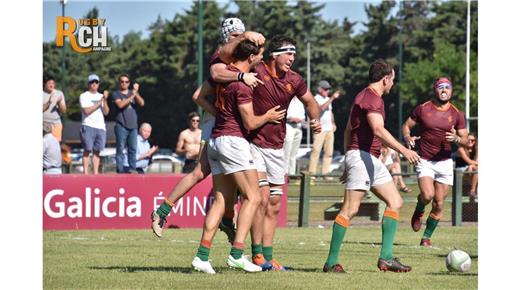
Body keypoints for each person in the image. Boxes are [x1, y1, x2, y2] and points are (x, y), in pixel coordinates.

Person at [151, 18, 264, 240]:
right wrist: (221, 113)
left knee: (227, 183)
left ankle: (226, 221)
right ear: (227, 37)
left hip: (226, 126)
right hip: (218, 126)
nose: (241, 40)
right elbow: (201, 92)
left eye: (242, 36)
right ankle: (163, 210)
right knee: (199, 173)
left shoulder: (236, 63)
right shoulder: (221, 57)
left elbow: (198, 95)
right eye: (236, 36)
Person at [220, 35, 322, 271]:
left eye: (294, 54)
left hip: (277, 147)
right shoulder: (256, 70)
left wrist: (315, 119)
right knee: (262, 198)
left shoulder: (295, 80)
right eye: (289, 54)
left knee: (274, 202)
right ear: (275, 55)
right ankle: (256, 255)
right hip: (252, 144)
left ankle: (268, 255)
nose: (292, 59)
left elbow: (311, 102)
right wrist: (245, 37)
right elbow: (226, 58)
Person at [191, 38, 286, 274]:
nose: (261, 61)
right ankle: (236, 254)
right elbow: (251, 122)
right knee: (253, 198)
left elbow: (200, 94)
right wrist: (268, 116)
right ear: (251, 58)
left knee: (222, 201)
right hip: (233, 142)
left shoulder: (226, 76)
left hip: (215, 141)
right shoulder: (242, 85)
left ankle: (202, 256)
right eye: (259, 57)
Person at [322, 59, 420, 273]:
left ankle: (386, 258)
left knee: (395, 201)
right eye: (392, 80)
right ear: (385, 79)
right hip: (362, 157)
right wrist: (404, 150)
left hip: (367, 158)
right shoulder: (372, 99)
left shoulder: (363, 96)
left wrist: (348, 161)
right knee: (350, 209)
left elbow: (348, 130)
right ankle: (331, 262)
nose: (393, 84)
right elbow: (377, 129)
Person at [402, 77, 469, 247]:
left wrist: (456, 138)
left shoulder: (456, 114)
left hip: (445, 162)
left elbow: (466, 140)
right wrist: (408, 137)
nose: (444, 90)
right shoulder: (423, 109)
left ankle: (426, 238)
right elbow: (406, 126)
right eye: (441, 87)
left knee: (439, 204)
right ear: (435, 90)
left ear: (451, 91)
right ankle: (420, 208)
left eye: (447, 87)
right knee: (428, 195)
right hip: (425, 160)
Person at [112, 73, 145, 173]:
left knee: (133, 149)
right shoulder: (116, 94)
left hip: (133, 126)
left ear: (129, 83)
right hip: (121, 125)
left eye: (126, 82)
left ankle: (132, 169)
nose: (124, 83)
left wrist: (136, 93)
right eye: (122, 81)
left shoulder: (132, 93)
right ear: (119, 83)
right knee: (120, 149)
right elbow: (120, 105)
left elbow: (142, 103)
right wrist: (132, 96)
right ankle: (120, 170)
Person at [79, 74, 110, 175]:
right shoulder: (84, 96)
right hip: (88, 125)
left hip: (100, 127)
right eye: (92, 82)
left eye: (96, 82)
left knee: (97, 151)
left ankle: (96, 173)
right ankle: (85, 173)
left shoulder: (101, 96)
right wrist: (98, 103)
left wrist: (104, 100)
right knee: (87, 150)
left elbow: (106, 112)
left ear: (98, 84)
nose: (94, 84)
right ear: (88, 84)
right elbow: (86, 111)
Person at [283, 97, 306, 176]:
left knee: (294, 153)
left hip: (298, 127)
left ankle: (292, 173)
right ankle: (285, 173)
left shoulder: (300, 101)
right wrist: (291, 119)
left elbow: (303, 116)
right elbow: (283, 114)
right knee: (287, 151)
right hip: (288, 125)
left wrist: (302, 121)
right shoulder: (286, 99)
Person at [43, 76, 67, 142]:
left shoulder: (59, 93)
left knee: (55, 146)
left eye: (53, 83)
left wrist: (59, 103)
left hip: (56, 124)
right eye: (49, 83)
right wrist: (48, 103)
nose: (51, 85)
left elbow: (64, 110)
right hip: (43, 124)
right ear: (44, 84)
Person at [455, 132, 478, 199]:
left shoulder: (476, 149)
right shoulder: (461, 149)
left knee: (475, 168)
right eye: (468, 140)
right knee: (476, 169)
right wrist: (471, 165)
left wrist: (471, 166)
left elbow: (476, 162)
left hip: (472, 170)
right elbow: (469, 161)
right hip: (460, 172)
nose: (470, 141)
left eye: (473, 140)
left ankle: (473, 191)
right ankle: (473, 191)